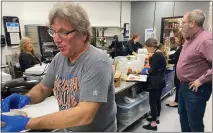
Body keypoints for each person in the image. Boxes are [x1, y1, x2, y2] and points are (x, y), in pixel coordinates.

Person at [1, 2, 117, 132]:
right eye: (53, 31)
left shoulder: (97, 61)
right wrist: (26, 98)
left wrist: (28, 123)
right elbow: (43, 88)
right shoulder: (59, 58)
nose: (56, 39)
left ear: (83, 34)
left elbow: (85, 114)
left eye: (63, 32)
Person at [176, 9, 212, 132]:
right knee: (184, 120)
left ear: (192, 23)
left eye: (183, 22)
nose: (182, 26)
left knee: (194, 125)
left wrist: (201, 80)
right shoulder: (190, 39)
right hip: (183, 86)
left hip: (195, 89)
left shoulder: (205, 40)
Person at [141, 38, 167, 131]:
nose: (148, 50)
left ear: (152, 47)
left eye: (148, 48)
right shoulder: (159, 53)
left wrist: (145, 70)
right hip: (160, 81)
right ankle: (155, 118)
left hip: (155, 82)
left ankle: (153, 124)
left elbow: (152, 70)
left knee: (152, 102)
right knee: (157, 101)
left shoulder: (157, 55)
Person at [166, 32, 185, 108]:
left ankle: (177, 102)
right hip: (179, 69)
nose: (175, 40)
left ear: (181, 39)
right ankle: (177, 101)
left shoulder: (183, 48)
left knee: (178, 86)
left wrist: (165, 60)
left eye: (177, 38)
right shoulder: (181, 47)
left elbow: (176, 60)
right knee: (178, 86)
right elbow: (174, 55)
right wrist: (166, 55)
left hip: (180, 71)